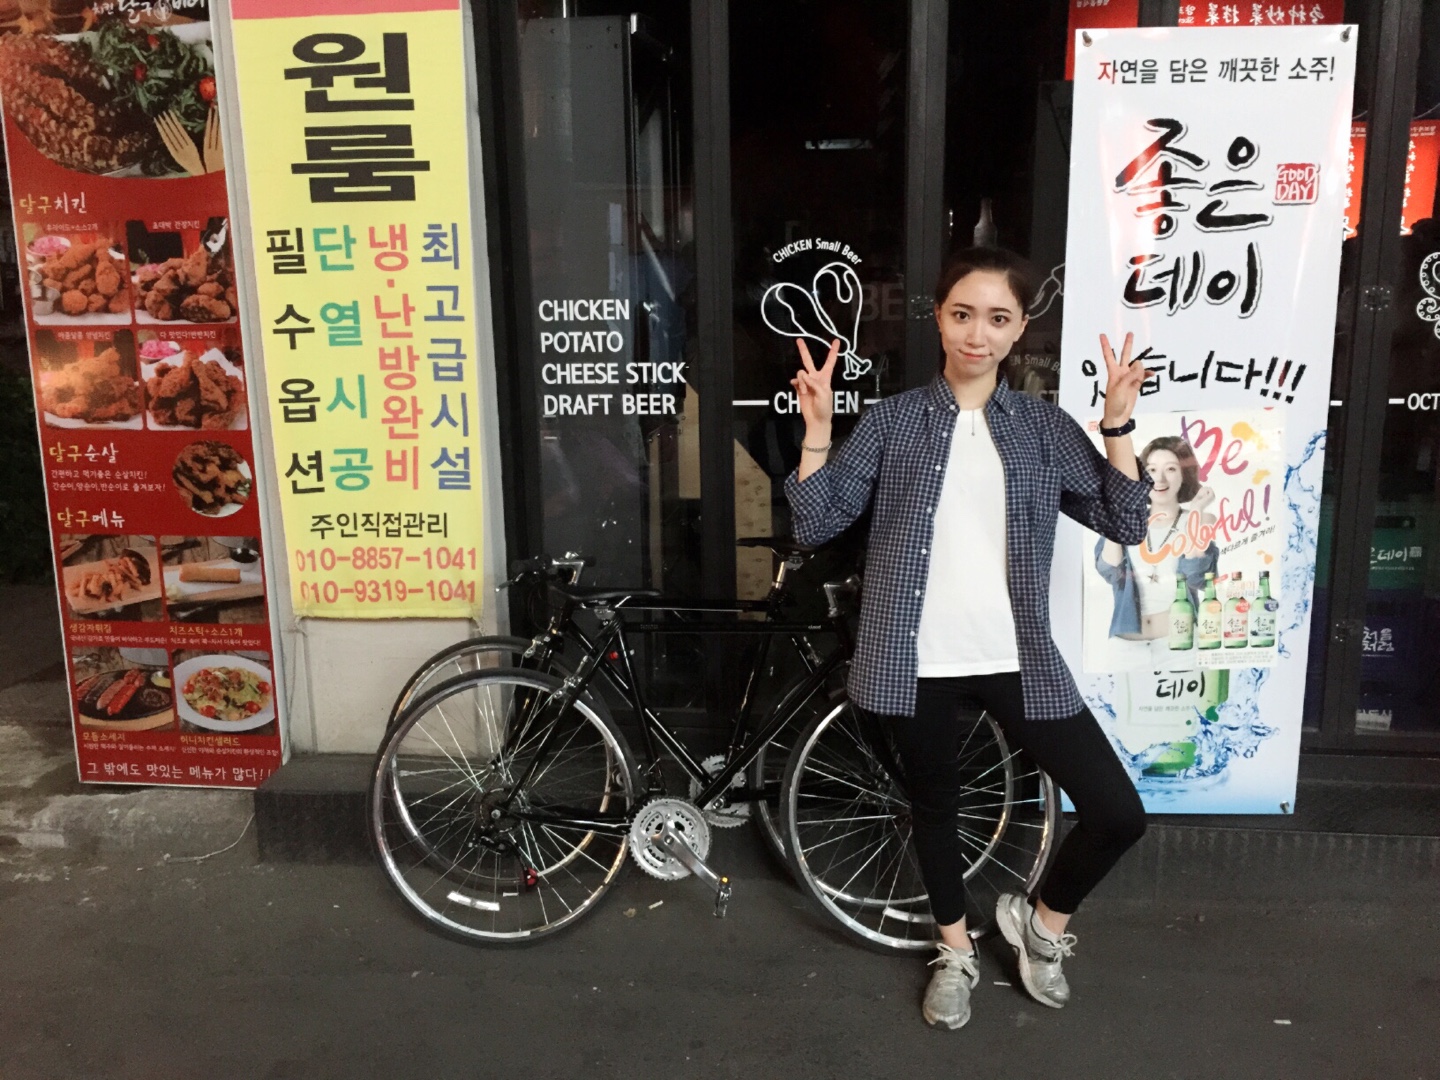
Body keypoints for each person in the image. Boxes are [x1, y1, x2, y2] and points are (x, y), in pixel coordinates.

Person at [785, 247, 1153, 1030]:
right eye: (962, 315)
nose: (976, 334)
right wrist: (818, 432)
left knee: (1117, 811)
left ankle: (1039, 927)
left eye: (996, 318)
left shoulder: (1043, 428)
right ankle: (954, 951)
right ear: (938, 318)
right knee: (935, 809)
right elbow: (816, 522)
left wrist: (1117, 424)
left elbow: (1125, 521)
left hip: (1017, 655)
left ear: (1019, 330)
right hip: (913, 656)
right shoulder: (891, 422)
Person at [1095, 436, 1220, 659]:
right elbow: (1111, 572)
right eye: (1151, 470)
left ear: (1184, 474)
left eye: (1171, 469)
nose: (1159, 479)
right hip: (1125, 645)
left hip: (1179, 643)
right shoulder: (1126, 520)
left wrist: (1197, 510)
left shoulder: (1199, 519)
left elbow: (1197, 578)